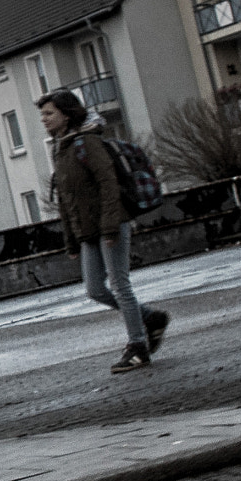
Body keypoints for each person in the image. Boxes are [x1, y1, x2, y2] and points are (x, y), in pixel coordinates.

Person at [38, 90, 170, 373]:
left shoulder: (88, 141)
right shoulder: (61, 147)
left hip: (111, 224)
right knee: (95, 289)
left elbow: (109, 185)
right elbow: (66, 199)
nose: (44, 119)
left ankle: (138, 347)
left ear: (67, 114)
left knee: (121, 285)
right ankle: (151, 319)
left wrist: (111, 226)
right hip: (87, 231)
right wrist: (71, 240)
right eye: (42, 114)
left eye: (49, 113)